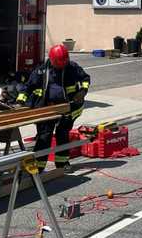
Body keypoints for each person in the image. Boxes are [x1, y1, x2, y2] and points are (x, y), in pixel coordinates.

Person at [17, 44, 90, 173]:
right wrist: (20, 101)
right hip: (47, 109)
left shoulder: (72, 68)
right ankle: (39, 166)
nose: (62, 65)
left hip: (68, 108)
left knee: (62, 134)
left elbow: (85, 78)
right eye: (59, 63)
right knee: (44, 137)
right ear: (51, 60)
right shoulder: (41, 71)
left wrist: (83, 91)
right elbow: (28, 87)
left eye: (64, 62)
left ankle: (62, 164)